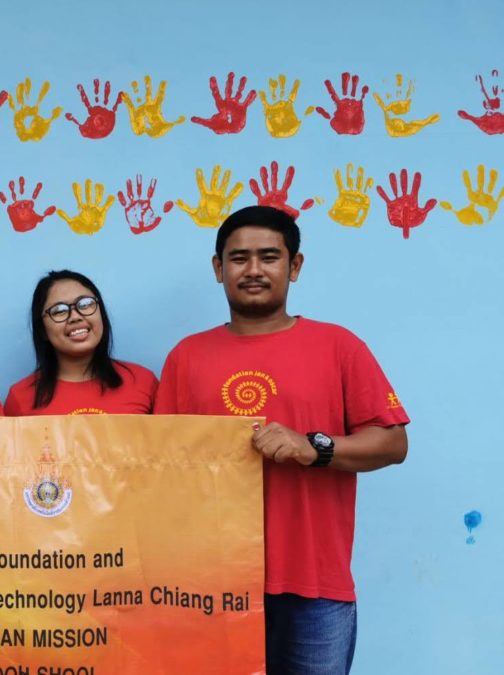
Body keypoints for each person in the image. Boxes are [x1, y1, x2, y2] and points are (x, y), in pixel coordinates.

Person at [153, 205, 410, 675]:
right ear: (218, 268)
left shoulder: (338, 346)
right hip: (211, 585)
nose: (253, 270)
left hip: (314, 585)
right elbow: (160, 468)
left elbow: (393, 443)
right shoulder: (186, 357)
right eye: (239, 258)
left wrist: (316, 447)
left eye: (269, 257)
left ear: (294, 266)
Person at [3, 269, 157, 415]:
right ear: (42, 330)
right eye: (59, 311)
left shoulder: (143, 381)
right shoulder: (20, 397)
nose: (75, 316)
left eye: (84, 304)